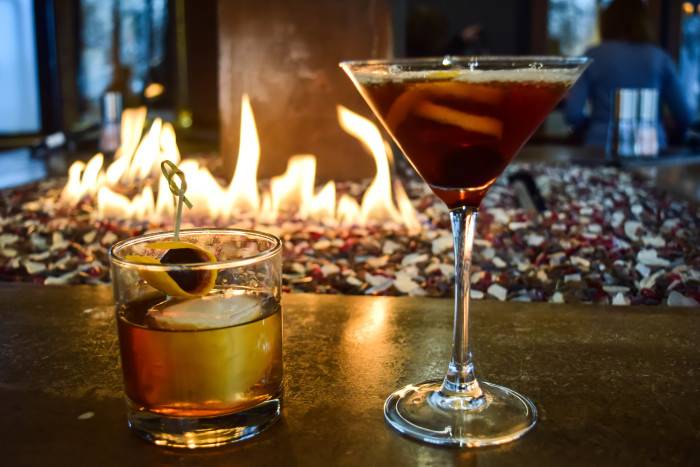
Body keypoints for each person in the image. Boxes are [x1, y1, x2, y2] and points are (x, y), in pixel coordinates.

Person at [564, 0, 693, 149]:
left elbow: (572, 114)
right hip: (651, 147)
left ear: (606, 22)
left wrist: (594, 125)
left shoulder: (594, 56)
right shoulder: (659, 58)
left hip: (600, 147)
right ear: (645, 23)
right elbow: (684, 115)